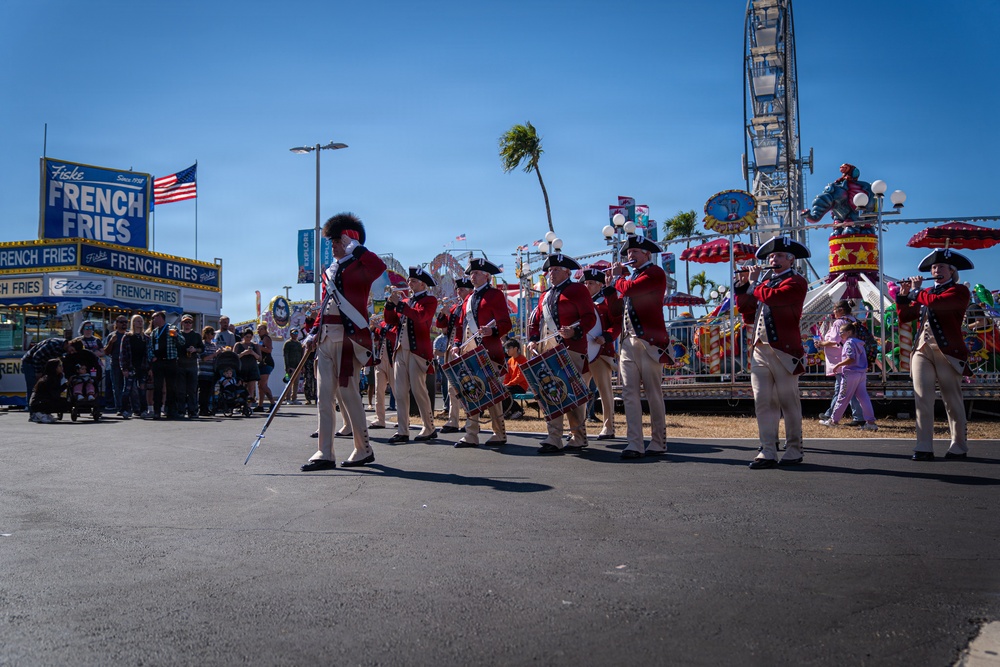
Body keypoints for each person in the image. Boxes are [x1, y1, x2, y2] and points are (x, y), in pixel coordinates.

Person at [301, 213, 386, 471]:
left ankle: (363, 449)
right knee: (323, 397)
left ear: (350, 239)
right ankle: (324, 452)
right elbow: (326, 306)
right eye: (333, 241)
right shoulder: (330, 271)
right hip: (326, 338)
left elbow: (379, 267)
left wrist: (356, 248)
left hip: (348, 339)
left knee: (349, 396)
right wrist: (313, 332)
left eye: (338, 240)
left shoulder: (361, 265)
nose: (333, 245)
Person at [734, 237, 810, 469]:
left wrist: (755, 284)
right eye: (770, 256)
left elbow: (775, 298)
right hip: (760, 349)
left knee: (788, 401)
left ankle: (794, 449)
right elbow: (747, 311)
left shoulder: (797, 281)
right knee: (763, 401)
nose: (772, 259)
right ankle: (767, 449)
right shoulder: (764, 282)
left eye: (777, 256)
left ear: (790, 259)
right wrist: (742, 286)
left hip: (784, 350)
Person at [896, 249, 974, 461]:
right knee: (922, 398)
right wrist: (903, 296)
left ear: (952, 271)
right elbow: (906, 316)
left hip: (948, 352)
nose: (935, 270)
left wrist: (915, 292)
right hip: (922, 350)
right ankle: (923, 446)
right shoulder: (927, 293)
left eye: (940, 267)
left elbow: (938, 304)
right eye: (933, 267)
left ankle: (959, 445)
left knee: (952, 399)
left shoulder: (959, 291)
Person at [527, 251, 597, 454]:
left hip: (571, 349)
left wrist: (574, 330)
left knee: (572, 394)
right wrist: (533, 340)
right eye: (550, 270)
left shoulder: (577, 290)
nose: (551, 273)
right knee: (551, 392)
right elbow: (535, 321)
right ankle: (554, 437)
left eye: (556, 269)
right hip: (547, 351)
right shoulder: (544, 295)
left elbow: (589, 317)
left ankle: (578, 436)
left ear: (567, 272)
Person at [612, 235, 671, 459]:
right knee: (629, 394)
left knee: (654, 394)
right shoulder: (631, 276)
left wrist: (618, 278)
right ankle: (634, 442)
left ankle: (658, 441)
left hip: (650, 343)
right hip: (628, 341)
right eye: (629, 253)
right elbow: (619, 306)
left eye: (635, 252)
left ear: (647, 254)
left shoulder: (654, 273)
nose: (630, 256)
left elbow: (630, 290)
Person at [450, 258, 512, 448]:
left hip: (488, 353)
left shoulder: (495, 295)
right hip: (469, 352)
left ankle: (499, 433)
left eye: (476, 273)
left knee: (492, 394)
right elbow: (461, 326)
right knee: (471, 391)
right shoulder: (468, 298)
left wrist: (492, 331)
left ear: (486, 275)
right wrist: (457, 344)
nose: (472, 276)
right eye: (471, 273)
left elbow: (506, 323)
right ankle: (471, 434)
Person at [385, 267, 439, 443]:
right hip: (401, 350)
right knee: (399, 391)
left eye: (413, 281)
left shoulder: (430, 300)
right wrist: (390, 305)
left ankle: (429, 427)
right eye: (409, 280)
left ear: (422, 283)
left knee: (419, 390)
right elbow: (391, 321)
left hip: (418, 351)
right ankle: (402, 430)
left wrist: (400, 305)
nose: (409, 283)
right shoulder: (407, 300)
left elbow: (421, 316)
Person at [581, 266, 623, 440]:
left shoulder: (608, 299)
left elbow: (617, 323)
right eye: (585, 282)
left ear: (600, 285)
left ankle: (609, 427)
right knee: (580, 391)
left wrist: (606, 337)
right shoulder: (581, 302)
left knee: (605, 391)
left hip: (601, 351)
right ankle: (578, 427)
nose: (587, 286)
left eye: (591, 283)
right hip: (583, 352)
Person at [819, 322, 878, 430]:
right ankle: (870, 422)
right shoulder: (860, 343)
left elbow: (851, 358)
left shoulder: (849, 343)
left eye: (841, 332)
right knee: (863, 398)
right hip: (861, 373)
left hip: (850, 373)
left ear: (849, 332)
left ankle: (833, 421)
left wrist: (838, 365)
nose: (840, 334)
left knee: (842, 397)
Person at [817, 300, 863, 425]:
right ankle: (831, 413)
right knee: (845, 389)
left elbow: (834, 340)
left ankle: (855, 416)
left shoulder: (839, 323)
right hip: (852, 358)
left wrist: (821, 343)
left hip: (840, 359)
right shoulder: (852, 320)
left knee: (845, 389)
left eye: (835, 309)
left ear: (841, 310)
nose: (833, 312)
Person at [438, 277, 474, 433]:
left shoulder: (470, 305)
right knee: (452, 387)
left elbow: (462, 323)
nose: (459, 293)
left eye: (463, 290)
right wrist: (442, 313)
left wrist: (450, 314)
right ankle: (453, 420)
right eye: (458, 290)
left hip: (465, 349)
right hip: (452, 350)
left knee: (467, 386)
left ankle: (470, 420)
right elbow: (441, 325)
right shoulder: (456, 307)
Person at [147, 311, 181, 420]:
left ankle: (171, 410)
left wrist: (176, 336)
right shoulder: (154, 332)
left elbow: (182, 342)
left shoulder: (171, 328)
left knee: (171, 387)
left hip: (170, 360)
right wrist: (152, 357)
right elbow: (150, 347)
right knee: (158, 387)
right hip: (158, 362)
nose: (153, 320)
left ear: (161, 318)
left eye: (154, 318)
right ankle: (157, 411)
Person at [21, 336, 72, 407]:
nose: (70, 352)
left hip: (42, 363)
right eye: (71, 350)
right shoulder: (53, 345)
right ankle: (32, 409)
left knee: (44, 387)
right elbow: (36, 357)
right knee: (34, 386)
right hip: (30, 362)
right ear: (68, 344)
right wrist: (38, 372)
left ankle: (42, 409)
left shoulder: (63, 348)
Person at [120, 314, 150, 419]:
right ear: (133, 323)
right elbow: (123, 353)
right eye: (137, 321)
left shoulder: (146, 338)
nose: (140, 323)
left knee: (142, 390)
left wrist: (148, 368)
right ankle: (125, 410)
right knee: (127, 389)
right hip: (130, 366)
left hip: (142, 367)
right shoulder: (127, 337)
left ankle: (143, 410)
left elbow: (148, 354)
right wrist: (124, 368)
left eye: (141, 321)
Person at [176, 314, 204, 418]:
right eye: (185, 322)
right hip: (180, 365)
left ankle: (193, 411)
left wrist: (195, 350)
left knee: (192, 390)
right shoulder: (178, 334)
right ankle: (181, 411)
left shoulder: (196, 335)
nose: (187, 324)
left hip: (192, 365)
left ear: (192, 324)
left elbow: (202, 349)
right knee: (181, 390)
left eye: (189, 322)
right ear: (182, 323)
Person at [28, 358, 68, 424]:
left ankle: (44, 413)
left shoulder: (55, 377)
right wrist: (65, 385)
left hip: (43, 401)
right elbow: (54, 393)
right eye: (59, 366)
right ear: (54, 367)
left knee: (64, 402)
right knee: (65, 404)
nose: (61, 367)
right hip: (39, 403)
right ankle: (38, 413)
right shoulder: (49, 379)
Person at [103, 316, 129, 414]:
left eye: (126, 322)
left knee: (129, 386)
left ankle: (128, 406)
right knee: (117, 387)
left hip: (127, 364)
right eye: (121, 322)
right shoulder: (112, 336)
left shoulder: (129, 335)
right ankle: (120, 407)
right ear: (116, 323)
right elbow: (106, 352)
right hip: (115, 364)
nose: (124, 324)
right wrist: (111, 342)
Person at [501, 338, 528, 419]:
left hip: (520, 386)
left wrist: (508, 384)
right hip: (512, 385)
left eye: (508, 348)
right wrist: (505, 384)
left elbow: (520, 377)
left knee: (504, 391)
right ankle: (507, 411)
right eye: (506, 348)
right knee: (500, 390)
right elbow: (507, 375)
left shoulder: (522, 359)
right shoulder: (509, 361)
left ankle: (518, 410)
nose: (506, 350)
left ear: (515, 349)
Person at [234, 328, 262, 406]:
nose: (248, 339)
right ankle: (240, 404)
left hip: (252, 368)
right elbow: (234, 357)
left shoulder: (255, 345)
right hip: (241, 368)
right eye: (247, 337)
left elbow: (259, 358)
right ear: (243, 336)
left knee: (251, 388)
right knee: (241, 388)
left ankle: (248, 406)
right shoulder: (238, 345)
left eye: (250, 337)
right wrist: (243, 353)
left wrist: (252, 353)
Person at [198, 326, 221, 415]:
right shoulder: (202, 345)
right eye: (212, 334)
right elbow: (204, 358)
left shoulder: (213, 345)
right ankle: (202, 409)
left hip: (211, 372)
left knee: (209, 392)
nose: (213, 335)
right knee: (203, 391)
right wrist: (215, 354)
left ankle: (207, 408)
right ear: (206, 334)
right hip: (203, 371)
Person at [255, 323, 277, 411]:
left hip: (267, 363)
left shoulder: (266, 338)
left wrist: (259, 347)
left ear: (265, 330)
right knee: (260, 385)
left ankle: (273, 403)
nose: (259, 331)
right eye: (258, 329)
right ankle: (260, 405)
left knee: (263, 385)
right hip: (261, 363)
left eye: (261, 329)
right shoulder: (260, 339)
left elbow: (269, 350)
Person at [283, 328, 305, 404]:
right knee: (289, 382)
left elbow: (302, 355)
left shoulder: (299, 344)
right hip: (290, 366)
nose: (295, 335)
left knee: (296, 383)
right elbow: (285, 355)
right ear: (290, 334)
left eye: (296, 333)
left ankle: (294, 398)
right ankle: (287, 399)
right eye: (293, 333)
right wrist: (287, 366)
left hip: (298, 366)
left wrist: (302, 366)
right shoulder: (287, 343)